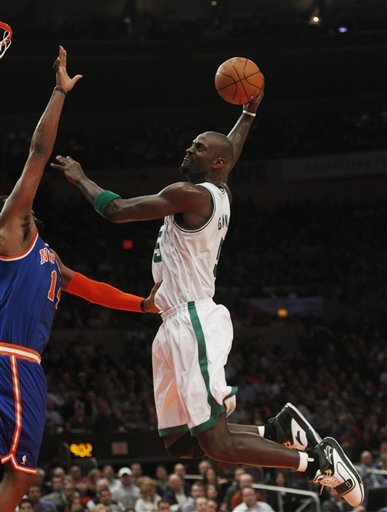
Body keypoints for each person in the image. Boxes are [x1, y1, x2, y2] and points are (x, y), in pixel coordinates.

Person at [52, 85, 364, 508]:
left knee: (216, 442)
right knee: (181, 443)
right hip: (170, 323)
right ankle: (276, 432)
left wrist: (81, 178)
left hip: (191, 318)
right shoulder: (217, 188)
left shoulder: (191, 194)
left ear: (214, 163)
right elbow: (229, 150)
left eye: (197, 147)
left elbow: (118, 210)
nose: (189, 148)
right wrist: (248, 116)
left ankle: (316, 463)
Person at [0, 47, 158, 512]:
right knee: (22, 471)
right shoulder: (12, 228)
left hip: (25, 363)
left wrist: (143, 305)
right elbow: (37, 153)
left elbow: (89, 287)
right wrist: (58, 92)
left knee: (21, 470)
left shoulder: (47, 255)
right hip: (10, 359)